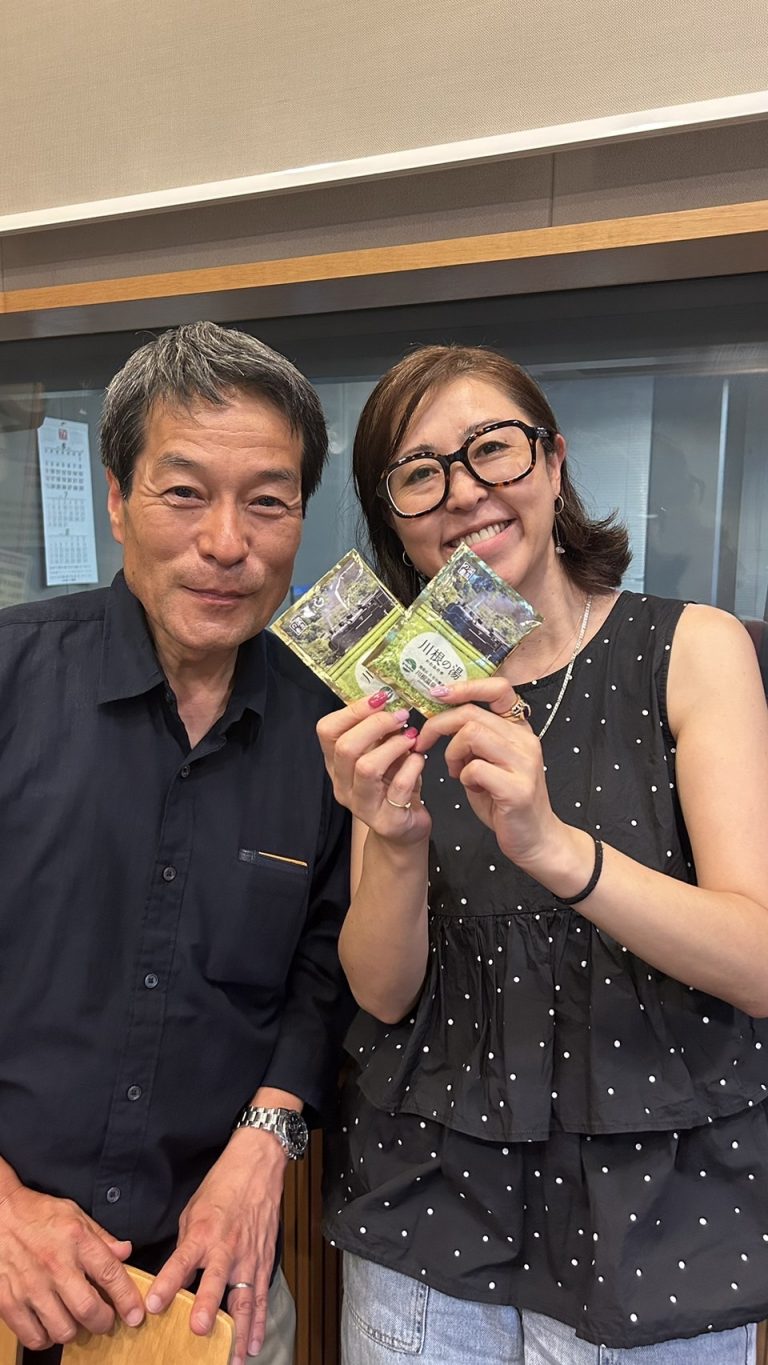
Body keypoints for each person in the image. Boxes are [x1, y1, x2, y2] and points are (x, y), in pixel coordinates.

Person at [317, 345, 768, 1364]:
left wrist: (557, 849)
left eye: (492, 449)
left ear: (554, 463)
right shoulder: (397, 693)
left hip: (658, 1215)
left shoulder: (691, 649)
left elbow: (756, 959)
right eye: (420, 472)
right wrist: (394, 838)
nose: (462, 491)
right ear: (395, 519)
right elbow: (382, 993)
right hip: (429, 1207)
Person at [0, 321, 351, 1365]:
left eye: (268, 501)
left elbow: (323, 972)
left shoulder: (333, 730)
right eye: (185, 492)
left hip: (202, 1295)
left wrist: (269, 1136)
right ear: (117, 499)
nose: (227, 543)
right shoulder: (12, 679)